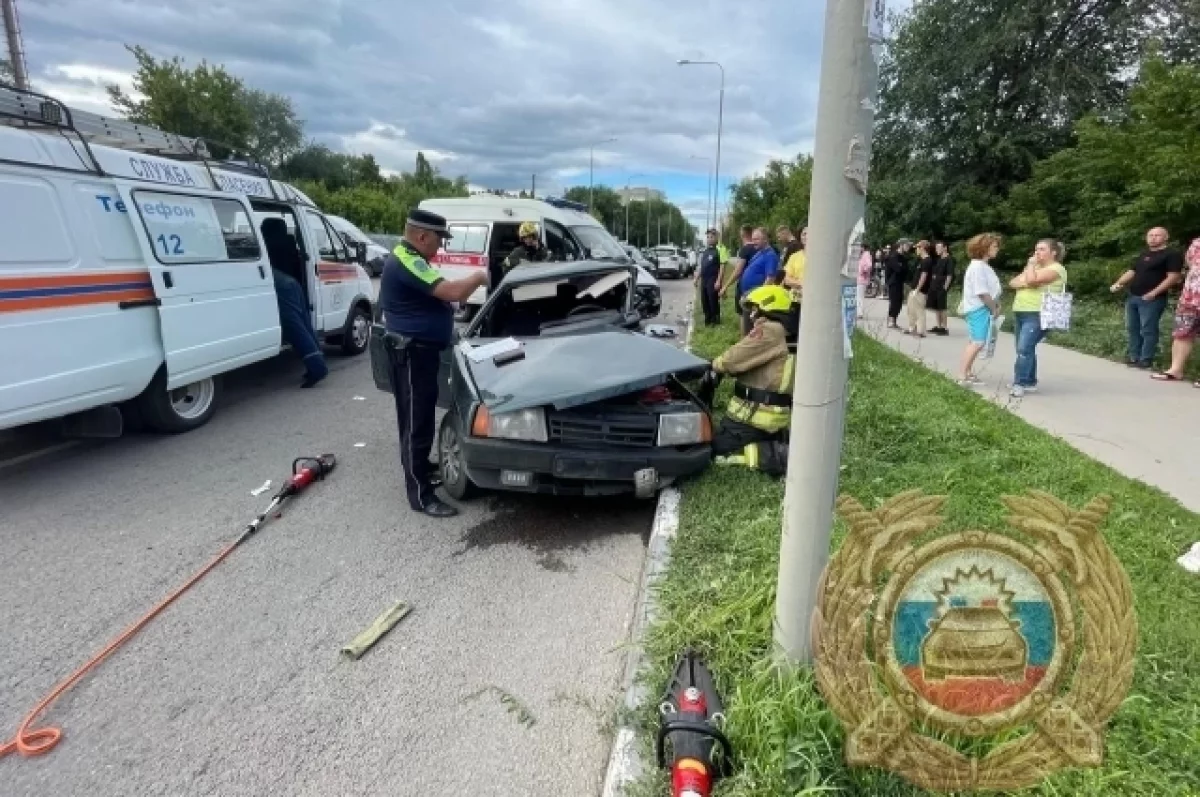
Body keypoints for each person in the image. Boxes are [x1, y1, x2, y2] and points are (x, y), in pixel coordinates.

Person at [379, 210, 489, 518]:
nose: (440, 247)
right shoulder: (408, 260)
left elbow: (436, 295)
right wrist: (480, 275)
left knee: (416, 417)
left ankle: (420, 469)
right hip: (412, 354)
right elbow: (452, 291)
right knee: (417, 422)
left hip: (416, 352)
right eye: (439, 240)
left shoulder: (409, 258)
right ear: (422, 236)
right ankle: (420, 495)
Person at [702, 285, 796, 476]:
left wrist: (713, 365)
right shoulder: (786, 333)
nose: (752, 315)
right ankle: (776, 443)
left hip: (752, 418)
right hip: (770, 416)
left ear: (768, 308)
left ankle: (774, 454)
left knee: (712, 452)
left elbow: (732, 360)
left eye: (754, 309)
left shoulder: (770, 331)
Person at [261, 218, 328, 388]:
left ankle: (317, 368)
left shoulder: (267, 242)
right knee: (304, 324)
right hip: (293, 284)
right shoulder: (288, 242)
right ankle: (316, 359)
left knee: (295, 327)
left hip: (280, 285)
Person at [1110, 227, 1184, 369]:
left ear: (1166, 237)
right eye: (1150, 235)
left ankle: (1146, 359)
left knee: (1148, 329)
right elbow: (1132, 271)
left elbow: (1173, 277)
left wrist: (1154, 292)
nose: (1153, 238)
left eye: (1157, 235)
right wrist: (1119, 283)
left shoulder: (1171, 255)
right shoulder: (1144, 254)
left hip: (1152, 299)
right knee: (1133, 328)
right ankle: (1134, 357)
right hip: (1134, 296)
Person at [1008, 239, 1068, 397]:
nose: (1037, 253)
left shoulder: (1057, 268)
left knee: (1024, 348)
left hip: (1038, 313)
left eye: (1041, 249)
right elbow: (1013, 283)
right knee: (1025, 349)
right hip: (1021, 310)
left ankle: (1019, 383)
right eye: (1036, 249)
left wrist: (1029, 269)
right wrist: (1027, 279)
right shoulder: (1035, 267)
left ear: (1053, 252)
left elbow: (1031, 280)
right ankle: (1029, 381)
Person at [957, 233, 1004, 387]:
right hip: (979, 308)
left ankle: (968, 372)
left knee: (975, 341)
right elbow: (982, 292)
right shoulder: (978, 267)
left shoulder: (981, 266)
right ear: (984, 248)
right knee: (977, 342)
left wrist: (995, 304)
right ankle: (962, 375)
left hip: (981, 307)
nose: (997, 249)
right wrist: (993, 308)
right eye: (994, 246)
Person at [1151, 238, 1200, 385]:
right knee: (1182, 334)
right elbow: (1191, 263)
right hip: (1190, 297)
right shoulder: (1197, 243)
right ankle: (1175, 370)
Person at [728, 228, 781, 336]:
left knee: (753, 331)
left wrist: (759, 301)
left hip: (756, 300)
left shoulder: (770, 255)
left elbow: (770, 279)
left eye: (756, 239)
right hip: (749, 296)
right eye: (752, 239)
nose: (753, 242)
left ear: (765, 239)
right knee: (747, 328)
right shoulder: (759, 253)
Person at [720, 225, 757, 324]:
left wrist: (725, 286)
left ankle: (744, 337)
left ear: (742, 235)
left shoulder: (745, 249)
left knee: (743, 315)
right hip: (757, 287)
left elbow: (738, 271)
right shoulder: (759, 248)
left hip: (744, 287)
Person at [695, 228, 726, 326]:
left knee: (713, 300)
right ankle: (707, 318)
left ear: (717, 237)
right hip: (704, 279)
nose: (709, 239)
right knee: (704, 300)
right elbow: (702, 266)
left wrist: (718, 281)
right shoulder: (706, 251)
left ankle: (715, 320)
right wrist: (696, 278)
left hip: (713, 279)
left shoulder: (720, 249)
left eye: (711, 237)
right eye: (708, 237)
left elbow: (722, 266)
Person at [904, 240, 935, 337]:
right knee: (911, 309)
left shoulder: (927, 261)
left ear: (922, 248)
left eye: (917, 248)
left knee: (919, 310)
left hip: (920, 291)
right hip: (914, 289)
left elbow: (924, 276)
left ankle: (921, 331)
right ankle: (912, 328)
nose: (916, 250)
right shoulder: (921, 260)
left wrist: (917, 289)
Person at [884, 239, 912, 328]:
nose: (908, 247)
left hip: (900, 282)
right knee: (894, 301)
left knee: (899, 301)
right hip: (893, 282)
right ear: (901, 245)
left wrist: (902, 267)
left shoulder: (903, 257)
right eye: (907, 245)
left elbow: (906, 270)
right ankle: (890, 320)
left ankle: (894, 319)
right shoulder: (893, 256)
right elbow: (898, 269)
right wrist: (902, 267)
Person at [929, 241, 955, 335]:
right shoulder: (940, 259)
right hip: (935, 286)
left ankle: (944, 328)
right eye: (936, 248)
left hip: (942, 287)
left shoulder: (949, 259)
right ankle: (939, 326)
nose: (937, 250)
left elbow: (949, 275)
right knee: (937, 307)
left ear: (945, 248)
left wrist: (945, 287)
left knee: (942, 307)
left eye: (939, 248)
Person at [781, 226, 808, 300]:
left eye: (809, 233)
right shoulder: (794, 256)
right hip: (796, 298)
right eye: (804, 234)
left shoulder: (820, 257)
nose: (806, 236)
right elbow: (787, 279)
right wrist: (801, 283)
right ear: (800, 237)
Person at [856, 246, 873, 321]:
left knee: (859, 296)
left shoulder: (866, 254)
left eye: (860, 247)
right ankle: (858, 312)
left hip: (862, 279)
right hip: (858, 278)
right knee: (857, 296)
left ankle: (860, 313)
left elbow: (869, 265)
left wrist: (863, 271)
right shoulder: (860, 255)